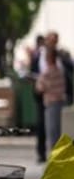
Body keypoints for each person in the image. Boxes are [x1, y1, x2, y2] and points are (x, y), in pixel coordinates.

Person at [31, 31, 74, 163]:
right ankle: (43, 153)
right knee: (44, 127)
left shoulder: (60, 57)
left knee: (54, 130)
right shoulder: (39, 56)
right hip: (47, 99)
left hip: (54, 99)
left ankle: (56, 158)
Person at [36, 47, 67, 152]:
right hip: (60, 102)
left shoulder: (47, 73)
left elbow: (40, 88)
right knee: (58, 131)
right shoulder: (60, 71)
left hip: (50, 103)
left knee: (51, 132)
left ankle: (53, 156)